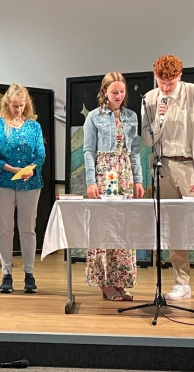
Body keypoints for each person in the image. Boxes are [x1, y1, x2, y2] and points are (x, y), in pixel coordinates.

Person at [141, 55, 194, 301]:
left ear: (179, 77)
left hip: (191, 165)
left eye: (170, 83)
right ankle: (181, 282)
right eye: (161, 82)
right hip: (164, 167)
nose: (165, 88)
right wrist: (158, 118)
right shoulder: (149, 99)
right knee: (173, 226)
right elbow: (147, 139)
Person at [82, 71, 145, 301]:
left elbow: (135, 151)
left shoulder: (131, 116)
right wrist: (91, 181)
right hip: (104, 173)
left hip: (124, 174)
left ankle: (121, 281)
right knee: (104, 226)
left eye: (122, 92)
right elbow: (88, 151)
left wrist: (138, 179)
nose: (118, 96)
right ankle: (105, 283)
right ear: (105, 92)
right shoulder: (94, 117)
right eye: (114, 92)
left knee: (123, 227)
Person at [0, 83, 46, 294]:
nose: (17, 109)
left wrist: (31, 168)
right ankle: (6, 274)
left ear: (26, 104)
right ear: (7, 104)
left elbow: (40, 154)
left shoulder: (34, 127)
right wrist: (10, 168)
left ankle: (29, 273)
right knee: (5, 229)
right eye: (14, 106)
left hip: (29, 182)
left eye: (21, 106)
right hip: (2, 181)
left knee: (28, 229)